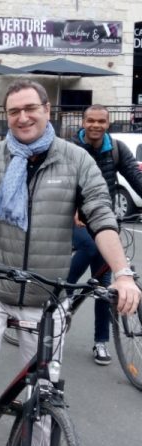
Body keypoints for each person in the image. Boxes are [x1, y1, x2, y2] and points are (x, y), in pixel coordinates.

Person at [0, 79, 141, 446]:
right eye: (14, 111)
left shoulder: (76, 160)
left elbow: (101, 217)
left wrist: (122, 273)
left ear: (47, 110)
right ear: (6, 116)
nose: (22, 117)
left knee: (45, 389)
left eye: (30, 109)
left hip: (46, 294)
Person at [67, 104, 142, 365]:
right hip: (73, 220)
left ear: (108, 124)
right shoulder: (71, 148)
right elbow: (63, 182)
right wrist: (73, 207)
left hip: (103, 223)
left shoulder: (117, 149)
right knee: (90, 248)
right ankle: (64, 295)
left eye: (101, 121)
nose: (95, 125)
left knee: (104, 286)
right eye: (91, 120)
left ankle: (101, 342)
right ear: (83, 122)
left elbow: (134, 177)